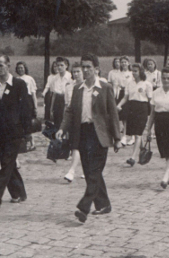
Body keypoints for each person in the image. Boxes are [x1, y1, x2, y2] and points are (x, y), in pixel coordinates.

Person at [57, 53, 122, 224]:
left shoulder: (105, 88)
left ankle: (84, 207)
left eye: (88, 67)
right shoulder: (78, 89)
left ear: (96, 69)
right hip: (82, 133)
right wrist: (62, 128)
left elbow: (113, 113)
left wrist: (117, 137)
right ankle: (104, 204)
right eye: (83, 67)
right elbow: (70, 111)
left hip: (99, 134)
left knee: (94, 172)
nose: (85, 70)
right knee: (90, 171)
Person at [0, 55, 33, 210]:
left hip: (15, 131)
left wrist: (27, 133)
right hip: (0, 132)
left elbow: (26, 109)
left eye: (1, 65)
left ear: (8, 65)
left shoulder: (19, 84)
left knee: (7, 163)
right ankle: (19, 193)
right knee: (6, 163)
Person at [117, 63, 153, 167]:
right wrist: (118, 105)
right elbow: (126, 97)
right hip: (132, 108)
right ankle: (141, 151)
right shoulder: (129, 83)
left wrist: (151, 115)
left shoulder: (147, 84)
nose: (133, 73)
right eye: (132, 71)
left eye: (135, 71)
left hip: (142, 108)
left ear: (141, 72)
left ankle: (132, 157)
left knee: (138, 134)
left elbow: (150, 100)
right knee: (135, 133)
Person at [63, 63, 84, 183]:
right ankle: (72, 171)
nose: (76, 74)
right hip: (74, 118)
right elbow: (67, 106)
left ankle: (85, 170)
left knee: (85, 146)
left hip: (86, 119)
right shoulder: (69, 87)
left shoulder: (87, 86)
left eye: (78, 72)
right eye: (74, 72)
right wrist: (64, 124)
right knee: (75, 145)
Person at [15, 61, 38, 152]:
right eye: (19, 68)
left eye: (22, 68)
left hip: (27, 102)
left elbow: (33, 94)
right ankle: (23, 144)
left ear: (25, 68)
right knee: (20, 123)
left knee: (28, 123)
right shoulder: (15, 79)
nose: (20, 69)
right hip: (18, 102)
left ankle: (32, 143)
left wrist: (35, 107)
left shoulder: (29, 79)